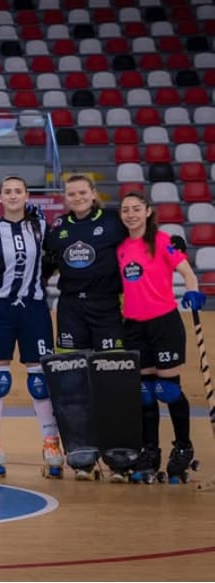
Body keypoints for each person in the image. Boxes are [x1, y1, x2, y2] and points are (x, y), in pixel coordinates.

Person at [0, 176, 62, 478]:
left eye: (18, 191)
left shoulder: (41, 226)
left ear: (26, 195)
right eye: (7, 191)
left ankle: (51, 443)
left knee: (40, 379)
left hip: (34, 307)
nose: (13, 195)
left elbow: (57, 257)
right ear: (0, 197)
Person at [116, 192, 206, 483]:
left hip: (163, 323)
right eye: (126, 210)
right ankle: (150, 451)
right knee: (144, 393)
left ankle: (183, 448)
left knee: (168, 390)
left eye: (136, 209)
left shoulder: (162, 240)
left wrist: (192, 291)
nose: (131, 214)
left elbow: (187, 272)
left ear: (147, 211)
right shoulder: (120, 248)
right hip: (134, 326)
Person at [43, 175, 128, 353]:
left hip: (106, 305)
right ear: (65, 198)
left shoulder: (114, 219)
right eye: (71, 194)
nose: (78, 198)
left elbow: (142, 234)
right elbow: (49, 260)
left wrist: (172, 243)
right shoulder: (58, 226)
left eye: (82, 192)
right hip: (70, 307)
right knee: (72, 366)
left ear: (93, 194)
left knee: (111, 364)